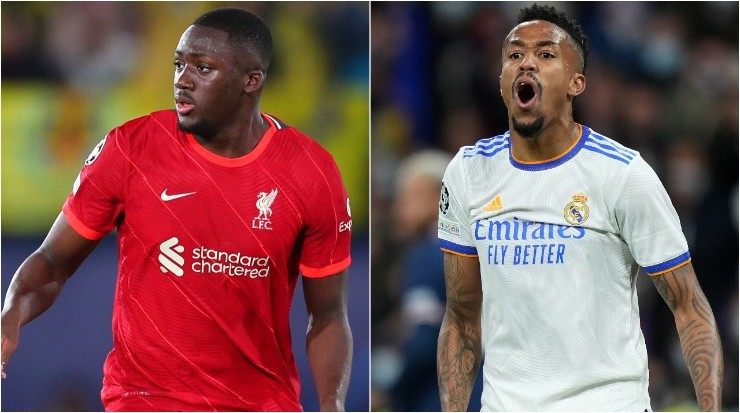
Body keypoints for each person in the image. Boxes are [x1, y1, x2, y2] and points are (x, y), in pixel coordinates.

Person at [1, 8, 353, 412]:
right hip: (144, 400)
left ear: (250, 81)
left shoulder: (312, 173)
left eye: (203, 68)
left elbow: (327, 314)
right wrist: (12, 311)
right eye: (178, 64)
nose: (182, 80)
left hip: (258, 403)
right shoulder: (131, 148)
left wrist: (333, 403)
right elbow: (52, 260)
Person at [436, 4, 723, 411]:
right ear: (501, 79)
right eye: (514, 55)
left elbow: (689, 307)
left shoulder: (622, 174)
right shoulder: (468, 172)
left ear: (576, 83)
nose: (526, 64)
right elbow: (462, 318)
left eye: (546, 54)